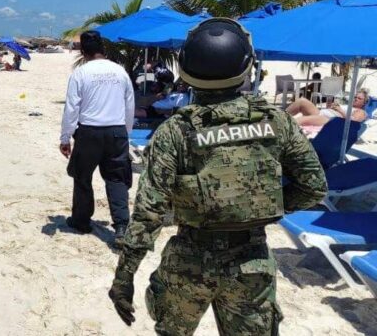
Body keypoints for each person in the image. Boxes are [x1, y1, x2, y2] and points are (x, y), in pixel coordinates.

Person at [108, 18, 327, 335]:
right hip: (251, 262)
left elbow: (148, 213)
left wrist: (124, 277)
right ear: (246, 66)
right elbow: (314, 187)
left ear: (185, 68)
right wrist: (261, 206)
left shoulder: (176, 131)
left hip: (188, 260)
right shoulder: (276, 122)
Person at [59, 30, 135, 247]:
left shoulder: (80, 73)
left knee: (82, 177)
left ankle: (82, 220)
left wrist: (65, 138)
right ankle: (121, 226)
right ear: (103, 48)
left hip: (89, 132)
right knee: (116, 179)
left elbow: (71, 108)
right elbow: (129, 105)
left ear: (83, 51)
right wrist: (126, 132)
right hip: (117, 131)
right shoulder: (119, 71)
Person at [286, 88, 369, 126]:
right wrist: (331, 107)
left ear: (364, 103)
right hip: (321, 113)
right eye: (355, 97)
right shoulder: (349, 106)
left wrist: (340, 111)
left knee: (300, 120)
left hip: (330, 121)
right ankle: (279, 117)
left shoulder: (361, 112)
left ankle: (282, 127)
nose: (356, 99)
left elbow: (353, 121)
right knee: (302, 101)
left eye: (359, 98)